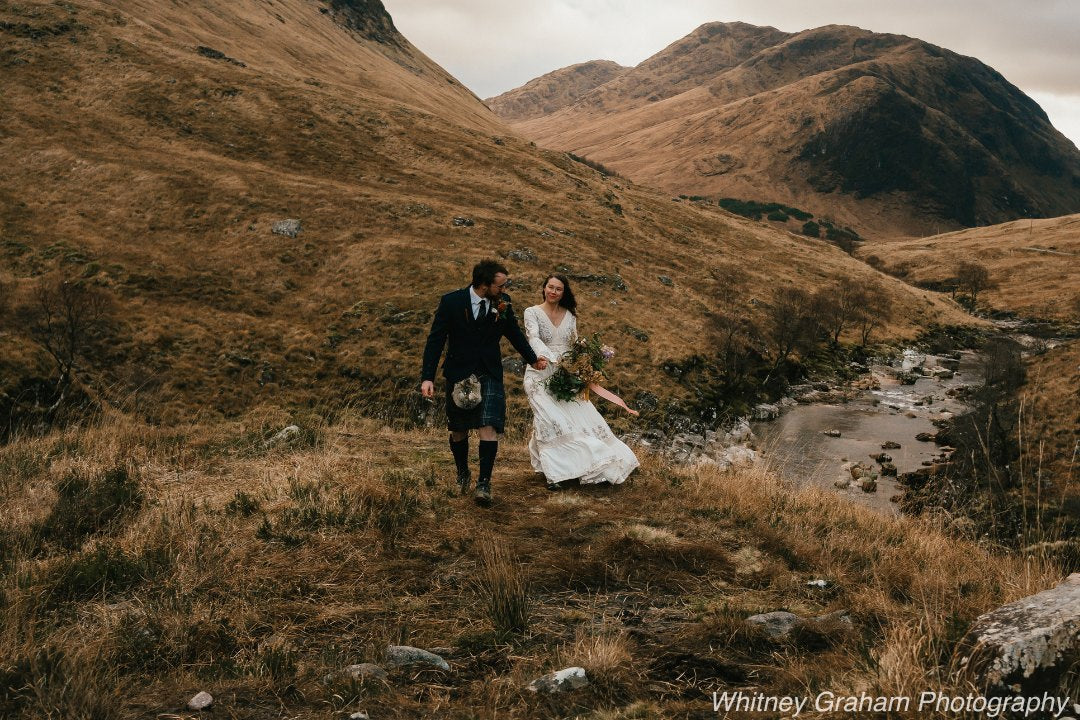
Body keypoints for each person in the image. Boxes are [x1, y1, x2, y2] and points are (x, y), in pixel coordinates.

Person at [421, 260, 548, 506]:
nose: (504, 289)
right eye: (500, 285)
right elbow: (435, 340)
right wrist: (427, 376)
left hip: (489, 371)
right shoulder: (452, 302)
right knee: (458, 431)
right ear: (483, 284)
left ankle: (484, 483)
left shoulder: (503, 303)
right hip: (459, 373)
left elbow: (514, 333)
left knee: (488, 426)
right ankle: (462, 474)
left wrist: (532, 360)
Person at [522, 274, 639, 489]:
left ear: (563, 293)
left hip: (567, 374)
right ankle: (554, 475)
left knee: (573, 419)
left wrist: (583, 364)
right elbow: (533, 338)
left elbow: (574, 343)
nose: (553, 292)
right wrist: (551, 358)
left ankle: (588, 462)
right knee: (548, 418)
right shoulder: (532, 312)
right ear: (544, 288)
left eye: (558, 289)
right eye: (550, 287)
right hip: (540, 371)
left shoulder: (570, 316)